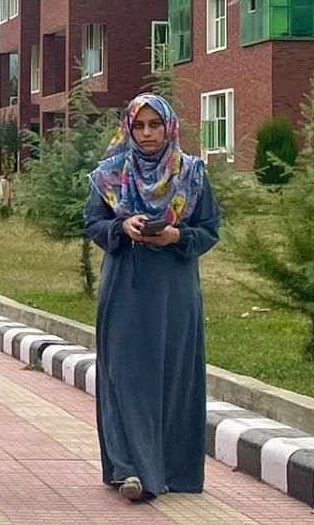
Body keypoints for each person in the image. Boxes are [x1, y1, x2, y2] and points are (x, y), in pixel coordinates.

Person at [84, 93, 220, 502]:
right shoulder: (109, 175)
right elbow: (93, 222)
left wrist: (176, 235)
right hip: (124, 284)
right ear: (128, 127)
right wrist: (121, 228)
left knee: (172, 376)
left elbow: (209, 229)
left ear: (168, 127)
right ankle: (129, 470)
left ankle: (172, 471)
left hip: (174, 289)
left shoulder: (192, 174)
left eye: (154, 125)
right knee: (124, 374)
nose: (146, 134)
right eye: (139, 126)